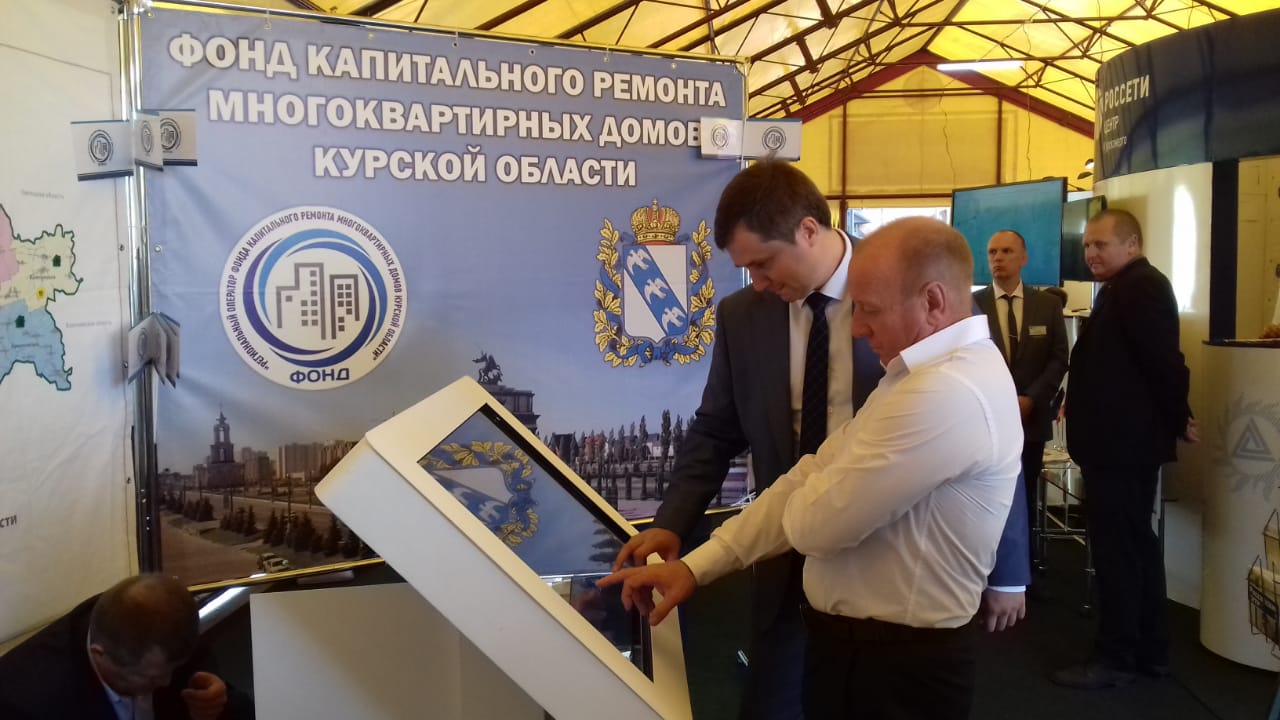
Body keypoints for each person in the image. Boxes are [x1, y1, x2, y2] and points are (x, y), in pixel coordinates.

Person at [612, 163, 1028, 719]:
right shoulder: (751, 318)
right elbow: (739, 439)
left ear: (808, 231)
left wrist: (1010, 569)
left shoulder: (932, 339)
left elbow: (990, 450)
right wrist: (688, 548)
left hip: (895, 635)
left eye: (763, 262)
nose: (858, 326)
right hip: (799, 583)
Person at [1052, 208, 1198, 689]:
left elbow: (1165, 363)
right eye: (1086, 246)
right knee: (1135, 547)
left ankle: (1116, 657)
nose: (1090, 254)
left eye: (1101, 244)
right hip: (1120, 445)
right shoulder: (1125, 286)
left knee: (1120, 553)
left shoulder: (1141, 287)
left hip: (1122, 447)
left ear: (1132, 245)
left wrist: (1179, 417)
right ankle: (1149, 651)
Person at [0, 574, 231, 720]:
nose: (166, 682)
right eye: (150, 678)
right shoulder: (26, 706)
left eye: (172, 669)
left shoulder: (164, 628)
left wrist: (216, 699)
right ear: (99, 654)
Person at [973, 229, 1069, 572]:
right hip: (985, 421)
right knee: (985, 499)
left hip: (1030, 419)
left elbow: (1059, 357)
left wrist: (1031, 398)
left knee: (1024, 498)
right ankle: (985, 573)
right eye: (992, 252)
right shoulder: (973, 306)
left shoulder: (1047, 305)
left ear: (1024, 258)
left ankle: (1022, 575)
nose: (998, 258)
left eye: (1006, 251)